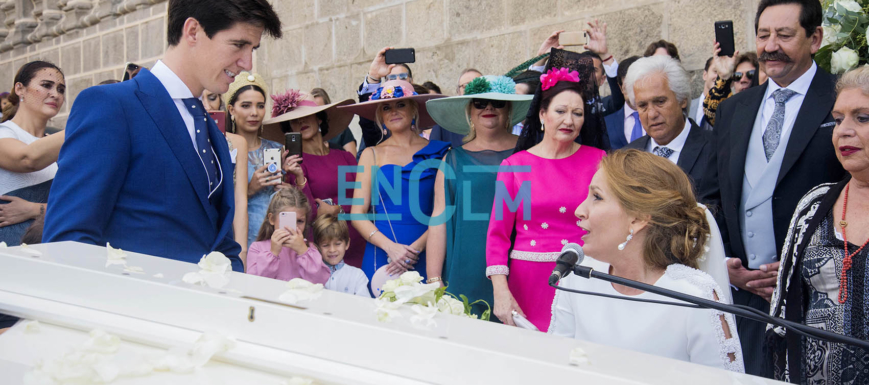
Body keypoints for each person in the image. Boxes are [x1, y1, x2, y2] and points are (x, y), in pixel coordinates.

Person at [43, 0, 283, 273]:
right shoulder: (112, 106)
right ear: (192, 31)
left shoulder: (210, 131)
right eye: (239, 45)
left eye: (253, 49)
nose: (247, 63)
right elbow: (68, 241)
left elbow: (218, 239)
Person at [698, 0, 847, 376]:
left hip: (818, 302)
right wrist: (724, 262)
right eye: (763, 35)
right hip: (743, 299)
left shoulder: (840, 102)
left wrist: (805, 265)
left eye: (784, 35)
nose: (769, 46)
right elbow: (713, 195)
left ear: (815, 39)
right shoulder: (735, 109)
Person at [550, 150, 744, 372]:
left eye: (597, 197)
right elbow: (560, 368)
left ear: (639, 218)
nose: (579, 211)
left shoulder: (695, 297)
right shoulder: (578, 278)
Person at [488, 53, 608, 331]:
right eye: (560, 111)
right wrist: (500, 291)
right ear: (542, 114)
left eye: (577, 113)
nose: (569, 120)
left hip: (582, 279)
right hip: (526, 283)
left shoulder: (599, 161)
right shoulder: (514, 166)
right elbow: (498, 234)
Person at [767, 66, 869, 383]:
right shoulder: (815, 205)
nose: (843, 131)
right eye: (838, 120)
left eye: (862, 118)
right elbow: (782, 316)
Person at [425, 75, 534, 319]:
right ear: (470, 112)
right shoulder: (452, 160)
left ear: (510, 111)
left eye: (497, 103)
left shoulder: (531, 154)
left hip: (521, 264)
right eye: (480, 103)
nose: (488, 108)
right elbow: (438, 220)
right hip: (466, 266)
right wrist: (434, 279)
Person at [341, 79, 447, 293]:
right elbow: (357, 213)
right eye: (386, 107)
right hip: (382, 254)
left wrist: (414, 250)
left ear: (414, 109)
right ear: (380, 116)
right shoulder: (370, 154)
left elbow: (445, 211)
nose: (393, 112)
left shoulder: (441, 152)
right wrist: (391, 248)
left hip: (429, 251)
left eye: (401, 104)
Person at [261, 89, 365, 267]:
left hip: (355, 239)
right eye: (294, 120)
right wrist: (300, 178)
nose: (301, 121)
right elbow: (308, 213)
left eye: (307, 115)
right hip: (321, 246)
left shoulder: (345, 157)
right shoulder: (294, 166)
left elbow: (364, 198)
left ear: (320, 118)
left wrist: (336, 209)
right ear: (289, 128)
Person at [623, 56, 714, 190]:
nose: (652, 114)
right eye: (642, 105)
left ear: (682, 100)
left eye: (660, 102)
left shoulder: (716, 149)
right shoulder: (626, 158)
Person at [0, 61, 66, 246]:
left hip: (52, 243)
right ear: (20, 89)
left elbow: (76, 203)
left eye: (61, 89)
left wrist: (33, 209)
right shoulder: (5, 132)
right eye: (46, 85)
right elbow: (26, 158)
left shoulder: (61, 144)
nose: (55, 94)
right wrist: (84, 123)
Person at [224, 73, 290, 248]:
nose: (254, 113)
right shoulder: (223, 149)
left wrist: (290, 189)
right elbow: (216, 203)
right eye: (246, 105)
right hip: (240, 241)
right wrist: (249, 190)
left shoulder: (277, 148)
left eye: (260, 106)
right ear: (231, 109)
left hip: (280, 241)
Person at [532, 20, 625, 117]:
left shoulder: (605, 105)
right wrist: (540, 59)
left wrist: (604, 55)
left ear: (602, 80)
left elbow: (620, 99)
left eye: (593, 70)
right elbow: (530, 99)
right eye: (582, 68)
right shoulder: (558, 103)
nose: (586, 73)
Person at [201, 89, 249, 265]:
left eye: (212, 97)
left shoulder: (237, 143)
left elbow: (240, 199)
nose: (206, 104)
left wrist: (242, 249)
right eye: (200, 98)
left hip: (226, 231)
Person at [248, 188, 330, 283]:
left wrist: (303, 251)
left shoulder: (310, 250)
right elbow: (255, 283)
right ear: (272, 219)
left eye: (300, 221)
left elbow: (320, 282)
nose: (294, 227)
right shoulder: (257, 248)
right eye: (287, 220)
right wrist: (273, 253)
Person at [313, 214, 370, 297]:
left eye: (337, 244)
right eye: (325, 245)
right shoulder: (311, 272)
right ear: (317, 246)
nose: (332, 250)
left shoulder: (357, 275)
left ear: (347, 244)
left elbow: (364, 305)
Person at [703, 47, 760, 127]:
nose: (743, 80)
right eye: (737, 76)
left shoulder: (768, 104)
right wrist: (724, 76)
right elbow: (712, 115)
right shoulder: (733, 110)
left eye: (750, 74)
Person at [428, 69, 483, 148]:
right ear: (458, 91)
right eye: (466, 86)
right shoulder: (444, 123)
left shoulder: (491, 119)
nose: (472, 89)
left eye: (477, 85)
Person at [603, 56, 641, 150]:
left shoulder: (659, 118)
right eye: (628, 86)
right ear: (621, 88)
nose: (633, 91)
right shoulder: (606, 124)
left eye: (637, 84)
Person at [312, 88, 358, 157]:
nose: (316, 115)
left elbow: (352, 161)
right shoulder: (306, 134)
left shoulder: (341, 129)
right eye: (313, 110)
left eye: (319, 110)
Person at [689, 57, 717, 128]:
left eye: (722, 74)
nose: (719, 77)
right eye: (715, 71)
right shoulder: (687, 107)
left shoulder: (730, 111)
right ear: (705, 75)